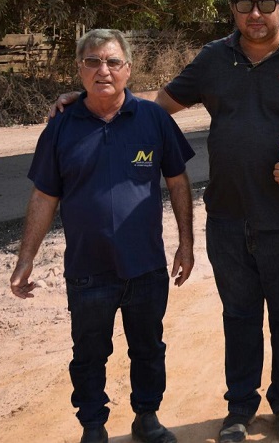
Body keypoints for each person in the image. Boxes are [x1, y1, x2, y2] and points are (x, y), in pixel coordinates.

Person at [54, 0, 279, 443]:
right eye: (245, 4)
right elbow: (151, 107)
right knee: (239, 316)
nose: (255, 13)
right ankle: (240, 409)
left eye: (266, 4)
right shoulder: (214, 58)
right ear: (232, 8)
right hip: (227, 218)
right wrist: (95, 96)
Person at [11, 29, 196, 443]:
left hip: (145, 265)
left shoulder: (154, 120)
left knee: (148, 348)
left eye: (113, 61)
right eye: (92, 61)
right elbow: (43, 196)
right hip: (88, 270)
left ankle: (147, 417)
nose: (103, 70)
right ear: (79, 70)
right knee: (89, 353)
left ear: (128, 69)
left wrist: (186, 243)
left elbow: (178, 181)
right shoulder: (61, 127)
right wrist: (26, 259)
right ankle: (93, 426)